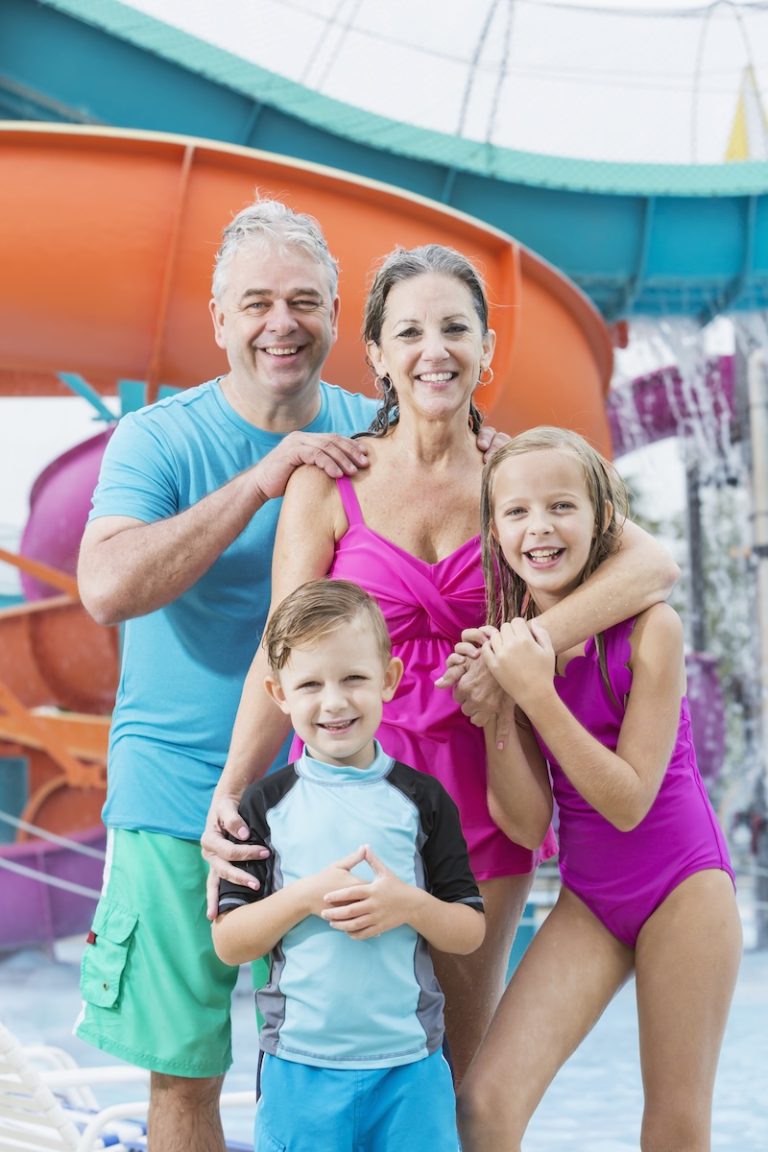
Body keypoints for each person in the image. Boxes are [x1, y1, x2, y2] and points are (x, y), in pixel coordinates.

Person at [205, 243, 679, 1085]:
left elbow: (652, 567)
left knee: (463, 1067)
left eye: (457, 328)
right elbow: (280, 648)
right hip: (344, 792)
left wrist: (519, 655)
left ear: (487, 349)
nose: (437, 350)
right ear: (378, 356)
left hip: (484, 789)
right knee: (338, 1049)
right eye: (411, 331)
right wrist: (232, 795)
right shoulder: (330, 481)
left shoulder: (519, 472)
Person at [74, 198, 414, 1152]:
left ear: (340, 317)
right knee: (186, 1078)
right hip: (177, 795)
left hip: (337, 798)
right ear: (218, 319)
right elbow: (105, 588)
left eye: (304, 300)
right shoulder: (159, 440)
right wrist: (264, 480)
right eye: (256, 301)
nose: (282, 323)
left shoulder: (379, 433)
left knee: (348, 1070)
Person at [456, 427, 742, 1152]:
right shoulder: (511, 639)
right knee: (483, 1107)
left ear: (601, 520)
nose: (539, 528)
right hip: (592, 898)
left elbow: (628, 800)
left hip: (684, 890)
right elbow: (528, 827)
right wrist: (496, 715)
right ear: (494, 530)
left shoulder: (652, 630)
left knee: (673, 1129)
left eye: (561, 507)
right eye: (516, 512)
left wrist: (534, 691)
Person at [213, 578, 485, 1152]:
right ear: (278, 693)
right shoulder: (264, 805)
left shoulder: (424, 801)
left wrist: (409, 905)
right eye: (309, 684)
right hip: (298, 1069)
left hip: (410, 1068)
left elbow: (468, 931)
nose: (333, 702)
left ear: (389, 679)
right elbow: (231, 943)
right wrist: (305, 896)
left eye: (354, 679)